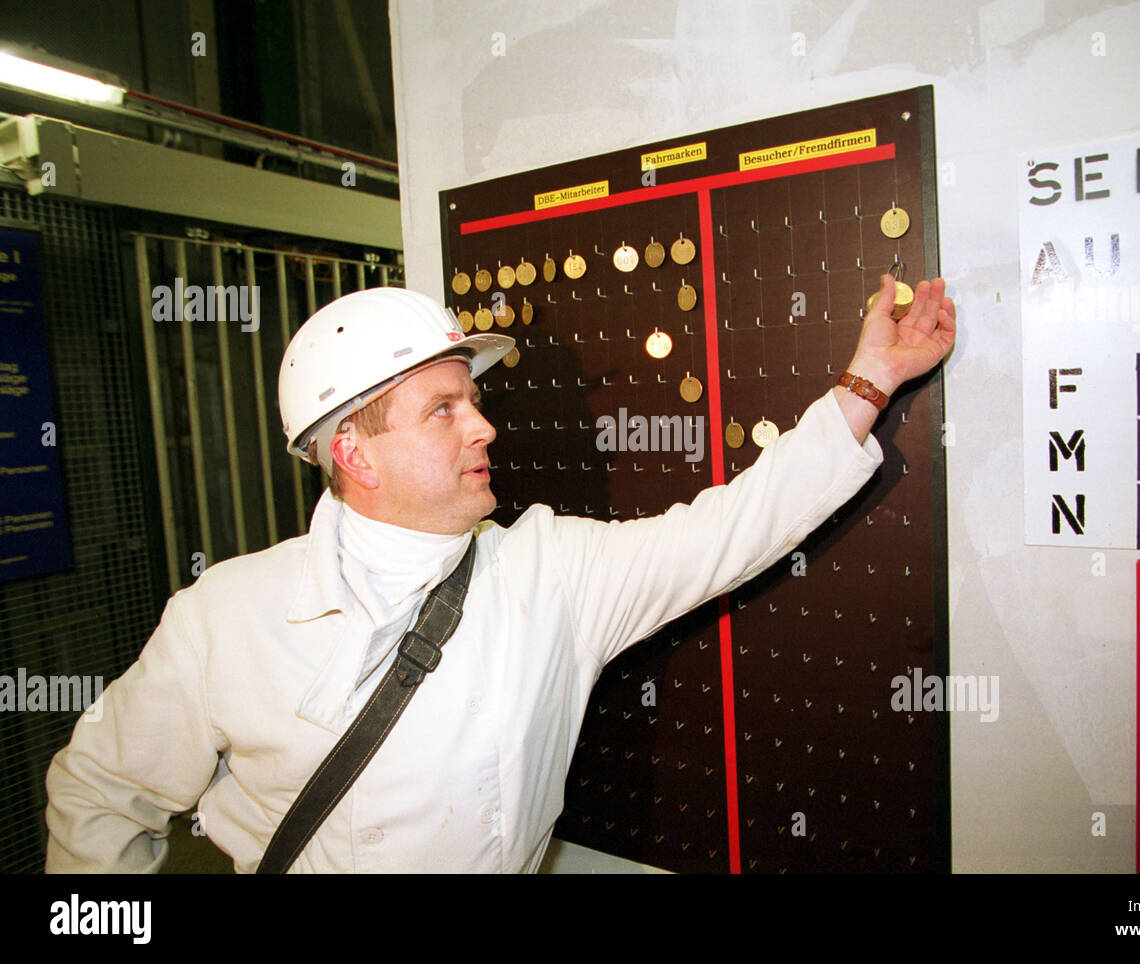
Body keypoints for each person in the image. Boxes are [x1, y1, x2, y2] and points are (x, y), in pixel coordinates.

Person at [45, 274, 955, 873]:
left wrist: (870, 379)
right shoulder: (226, 616)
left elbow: (729, 531)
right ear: (354, 452)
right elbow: (98, 794)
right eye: (443, 410)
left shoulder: (550, 574)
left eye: (473, 402)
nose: (483, 428)